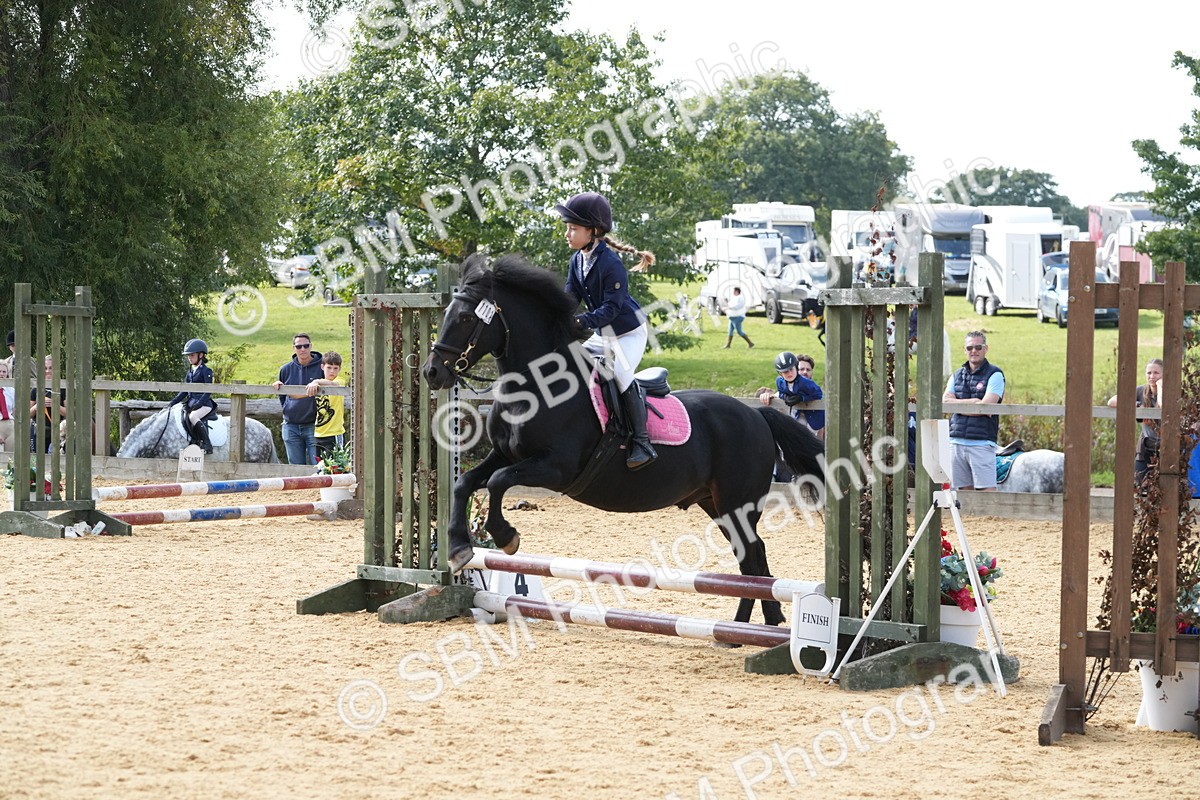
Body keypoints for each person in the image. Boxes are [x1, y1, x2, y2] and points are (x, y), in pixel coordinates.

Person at [555, 191, 658, 470]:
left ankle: (642, 441)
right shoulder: (577, 260)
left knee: (622, 374)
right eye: (568, 227)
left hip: (628, 332)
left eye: (573, 228)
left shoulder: (611, 265)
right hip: (603, 333)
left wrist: (581, 323)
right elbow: (570, 297)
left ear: (594, 230)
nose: (567, 233)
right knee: (571, 363)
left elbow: (611, 310)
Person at [942, 331, 1005, 491]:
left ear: (986, 348)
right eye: (970, 347)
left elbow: (985, 408)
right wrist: (973, 402)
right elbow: (946, 403)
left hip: (982, 443)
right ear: (965, 350)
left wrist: (959, 406)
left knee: (987, 493)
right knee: (962, 495)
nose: (974, 351)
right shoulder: (956, 375)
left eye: (978, 347)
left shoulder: (995, 375)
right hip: (955, 441)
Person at [1107, 358, 1164, 486]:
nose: (1152, 376)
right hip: (1146, 447)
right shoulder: (1140, 391)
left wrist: (1160, 386)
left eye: (1156, 373)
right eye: (1149, 373)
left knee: (1164, 488)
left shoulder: (1169, 392)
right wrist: (1135, 404)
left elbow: (1162, 405)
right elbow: (1111, 402)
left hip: (1167, 447)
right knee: (1138, 485)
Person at [273, 332, 324, 466]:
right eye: (299, 346)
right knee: (295, 468)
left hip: (315, 425)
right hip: (291, 426)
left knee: (319, 467)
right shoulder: (285, 369)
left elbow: (334, 382)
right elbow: (282, 396)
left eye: (306, 346)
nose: (302, 349)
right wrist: (287, 409)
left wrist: (318, 382)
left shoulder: (323, 367)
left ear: (311, 346)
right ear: (294, 348)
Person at [166, 338, 217, 454]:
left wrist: (199, 404)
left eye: (192, 355)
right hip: (192, 403)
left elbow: (208, 391)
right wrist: (172, 403)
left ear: (201, 355)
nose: (189, 358)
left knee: (193, 416)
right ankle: (193, 440)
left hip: (204, 404)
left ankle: (207, 444)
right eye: (188, 356)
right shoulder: (190, 372)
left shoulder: (206, 371)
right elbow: (184, 391)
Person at [759, 351, 825, 440]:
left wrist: (802, 398)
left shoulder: (810, 386)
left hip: (812, 423)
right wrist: (769, 396)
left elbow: (819, 395)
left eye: (808, 369)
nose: (805, 372)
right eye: (801, 369)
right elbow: (778, 394)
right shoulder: (781, 383)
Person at [307, 350, 347, 459]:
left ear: (340, 369)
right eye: (329, 367)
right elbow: (298, 393)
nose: (332, 371)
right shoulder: (316, 385)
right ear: (322, 367)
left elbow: (333, 384)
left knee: (337, 467)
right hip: (319, 433)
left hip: (334, 433)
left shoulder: (340, 380)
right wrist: (280, 384)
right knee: (320, 467)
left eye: (335, 368)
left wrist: (316, 381)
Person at [30, 355, 67, 453]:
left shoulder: (63, 388)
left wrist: (56, 406)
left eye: (51, 368)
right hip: (38, 430)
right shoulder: (35, 388)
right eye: (45, 368)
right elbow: (28, 414)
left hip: (59, 431)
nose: (47, 371)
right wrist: (37, 406)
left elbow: (70, 414)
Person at [0, 361, 14, 451]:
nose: (1, 374)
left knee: (11, 458)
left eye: (4, 372)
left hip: (10, 424)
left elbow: (15, 410)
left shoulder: (11, 390)